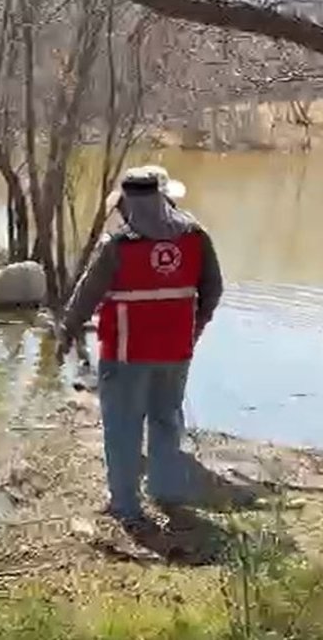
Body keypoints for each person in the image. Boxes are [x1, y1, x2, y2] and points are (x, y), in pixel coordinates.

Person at [55, 165, 223, 528]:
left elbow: (86, 296)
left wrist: (67, 331)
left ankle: (126, 506)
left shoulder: (118, 245)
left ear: (128, 202)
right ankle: (166, 493)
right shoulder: (195, 237)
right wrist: (194, 329)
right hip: (176, 352)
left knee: (123, 427)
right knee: (166, 420)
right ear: (162, 199)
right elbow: (213, 290)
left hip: (126, 353)